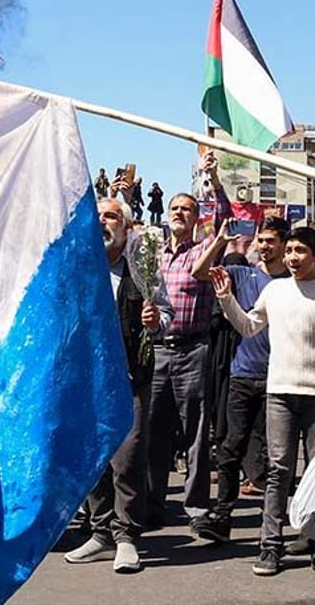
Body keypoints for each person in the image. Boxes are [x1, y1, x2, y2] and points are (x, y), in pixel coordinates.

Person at [65, 198, 173, 573]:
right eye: (98, 217)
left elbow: (168, 315)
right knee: (93, 460)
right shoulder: (79, 270)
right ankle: (99, 534)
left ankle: (127, 537)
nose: (103, 222)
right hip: (88, 382)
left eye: (111, 216)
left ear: (126, 228)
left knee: (127, 456)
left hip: (131, 378)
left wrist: (155, 319)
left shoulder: (141, 272)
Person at [209, 227, 315, 576]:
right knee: (278, 471)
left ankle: (312, 540)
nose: (293, 257)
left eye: (300, 250)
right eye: (291, 251)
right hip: (280, 393)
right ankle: (270, 546)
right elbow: (249, 326)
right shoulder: (275, 290)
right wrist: (227, 299)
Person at [145, 149, 232, 531]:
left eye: (187, 209)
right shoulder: (152, 253)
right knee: (153, 430)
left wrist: (213, 179)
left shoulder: (204, 250)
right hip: (159, 350)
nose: (179, 212)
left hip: (194, 349)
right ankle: (151, 503)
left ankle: (196, 507)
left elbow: (226, 218)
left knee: (196, 430)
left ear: (197, 219)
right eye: (175, 208)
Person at [189, 217, 289, 543]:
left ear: (284, 245)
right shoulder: (242, 274)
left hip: (279, 380)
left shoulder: (293, 282)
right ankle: (222, 516)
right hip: (243, 376)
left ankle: (272, 526)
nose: (263, 246)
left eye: (270, 241)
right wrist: (219, 242)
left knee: (276, 458)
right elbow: (200, 273)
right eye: (260, 240)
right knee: (230, 449)